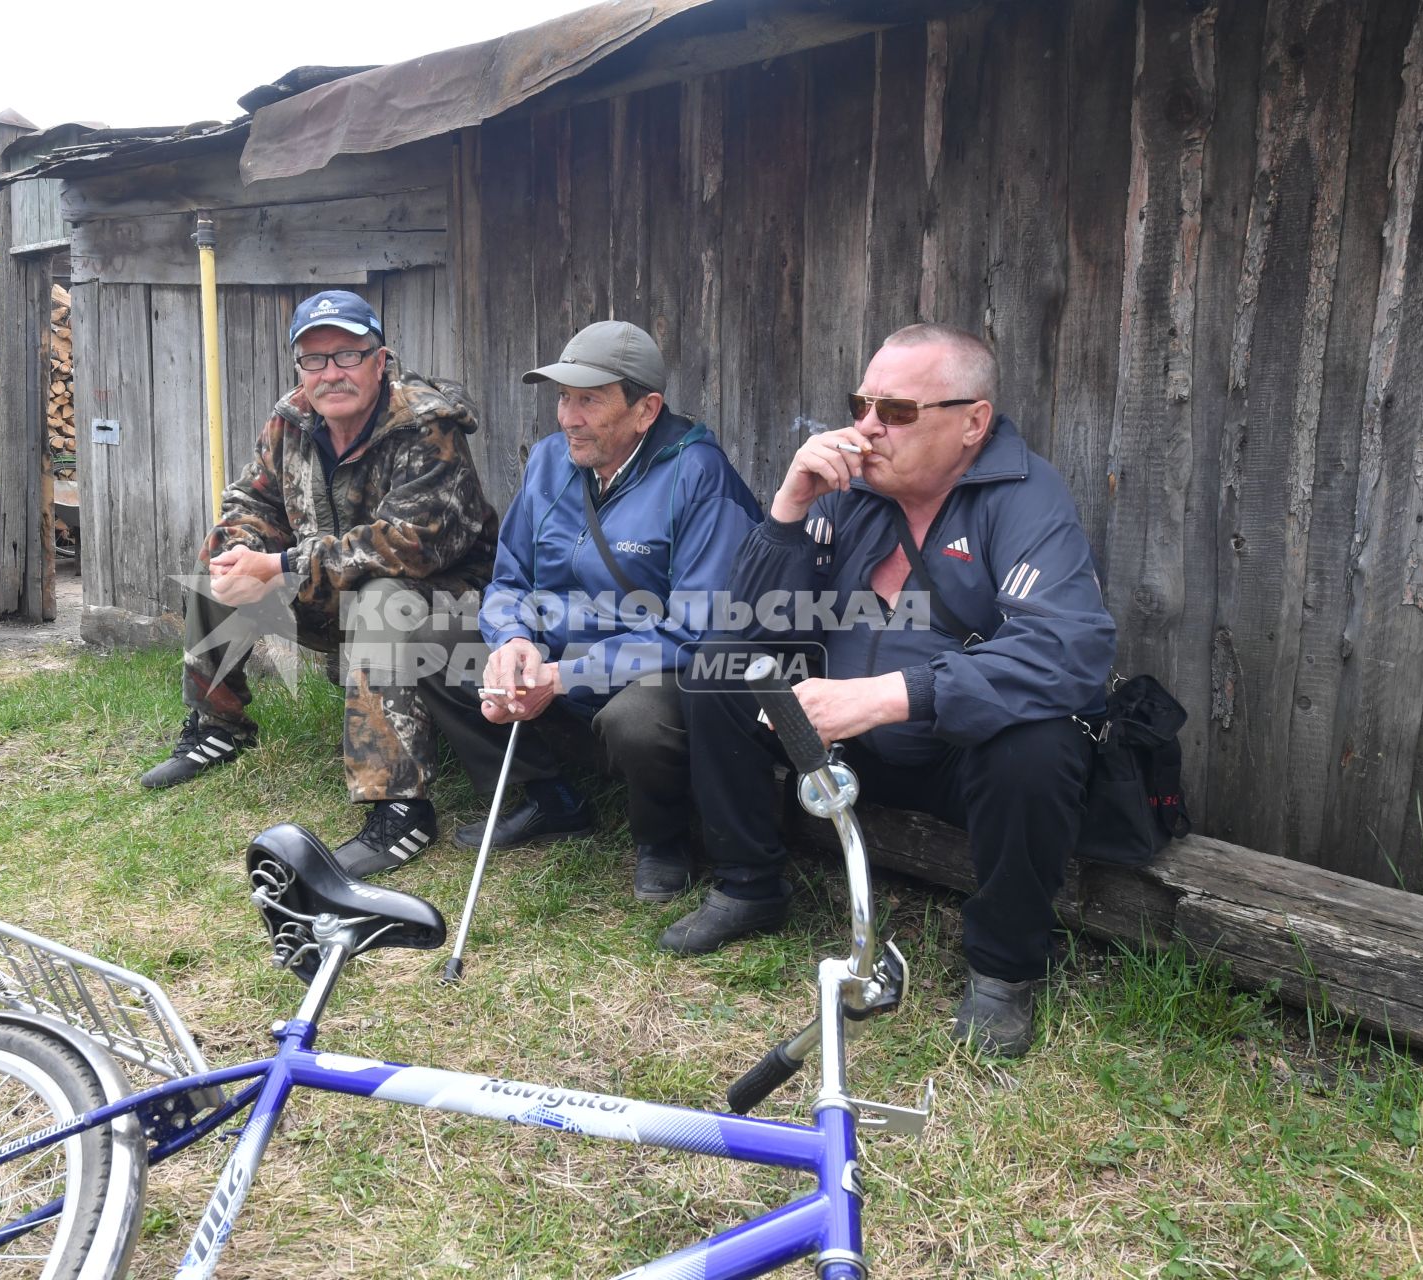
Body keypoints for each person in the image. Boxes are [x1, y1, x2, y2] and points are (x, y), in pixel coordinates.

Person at [681, 323, 1114, 1057]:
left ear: (972, 422)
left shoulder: (1024, 497)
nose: (867, 427)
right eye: (862, 404)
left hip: (956, 755)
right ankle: (749, 883)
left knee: (1040, 744)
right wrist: (788, 508)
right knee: (719, 661)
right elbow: (749, 620)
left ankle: (1004, 970)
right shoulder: (847, 494)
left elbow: (1070, 649)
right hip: (843, 745)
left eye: (898, 412)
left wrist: (889, 695)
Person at [141, 289, 499, 878]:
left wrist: (280, 568)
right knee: (221, 561)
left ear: (379, 361)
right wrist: (243, 550)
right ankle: (217, 725)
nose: (330, 373)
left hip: (447, 609)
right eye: (314, 360)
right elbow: (251, 498)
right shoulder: (291, 420)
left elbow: (408, 542)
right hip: (335, 591)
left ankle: (400, 811)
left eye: (347, 356)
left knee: (381, 598)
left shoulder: (426, 427)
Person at [419, 320, 762, 903]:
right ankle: (547, 795)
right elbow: (510, 578)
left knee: (640, 722)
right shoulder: (551, 461)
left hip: (652, 664)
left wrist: (564, 676)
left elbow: (693, 629)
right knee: (425, 641)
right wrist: (511, 640)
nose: (567, 418)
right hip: (554, 646)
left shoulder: (700, 477)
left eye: (589, 400)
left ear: (645, 410)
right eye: (562, 398)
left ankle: (663, 838)